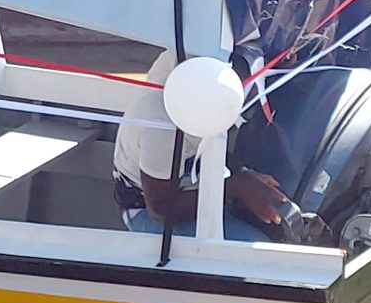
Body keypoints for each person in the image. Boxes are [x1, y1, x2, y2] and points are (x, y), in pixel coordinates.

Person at [112, 52, 287, 242]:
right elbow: (161, 209)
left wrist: (243, 176)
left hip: (190, 179)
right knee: (260, 249)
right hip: (147, 208)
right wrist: (235, 187)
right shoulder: (163, 125)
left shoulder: (192, 61)